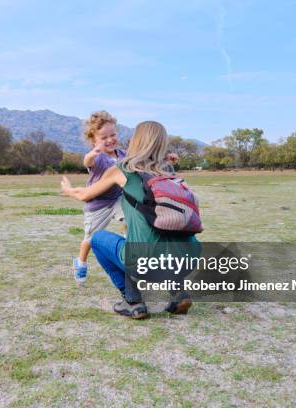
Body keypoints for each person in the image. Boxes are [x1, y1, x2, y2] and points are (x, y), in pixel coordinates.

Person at [62, 121, 200, 319]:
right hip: (188, 257)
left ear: (136, 140)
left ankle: (133, 301)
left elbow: (86, 195)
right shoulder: (169, 170)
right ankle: (178, 294)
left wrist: (68, 190)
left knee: (98, 239)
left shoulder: (122, 169)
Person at [73, 111, 126, 285]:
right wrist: (90, 156)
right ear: (94, 141)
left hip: (118, 199)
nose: (110, 140)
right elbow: (87, 163)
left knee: (130, 217)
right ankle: (81, 262)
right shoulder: (97, 157)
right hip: (98, 205)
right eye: (104, 137)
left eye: (113, 135)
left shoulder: (122, 155)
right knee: (90, 238)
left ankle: (129, 243)